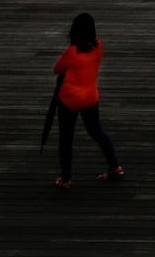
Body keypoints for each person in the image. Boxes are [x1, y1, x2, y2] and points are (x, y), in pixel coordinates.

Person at [51, 12, 122, 188]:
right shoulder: (98, 46)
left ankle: (66, 178)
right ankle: (115, 166)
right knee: (97, 131)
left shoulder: (72, 52)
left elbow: (57, 69)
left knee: (66, 138)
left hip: (70, 100)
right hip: (91, 98)